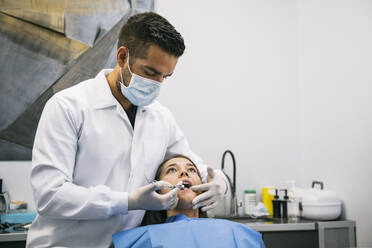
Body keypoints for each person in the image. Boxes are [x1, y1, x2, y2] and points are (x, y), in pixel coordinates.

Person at [27, 12, 227, 248]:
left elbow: (195, 168)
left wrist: (220, 184)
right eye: (150, 72)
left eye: (165, 76)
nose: (157, 84)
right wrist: (128, 201)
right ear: (122, 56)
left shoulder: (160, 117)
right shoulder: (68, 107)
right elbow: (50, 196)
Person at [112, 155, 265, 248]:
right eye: (172, 170)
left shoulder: (239, 233)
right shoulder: (139, 240)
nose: (184, 172)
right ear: (158, 190)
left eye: (191, 169)